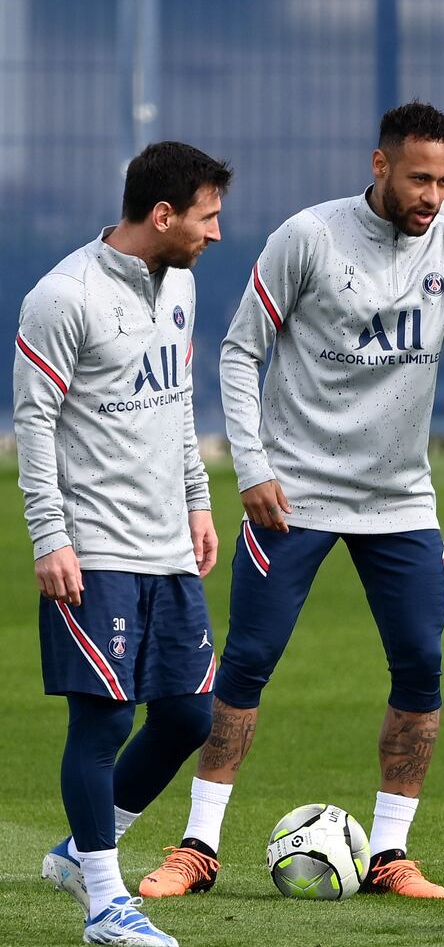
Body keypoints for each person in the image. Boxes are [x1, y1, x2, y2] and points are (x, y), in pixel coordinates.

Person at [140, 101, 444, 902]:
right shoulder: (309, 237)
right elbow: (240, 353)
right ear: (380, 166)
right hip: (292, 494)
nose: (433, 196)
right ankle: (197, 847)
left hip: (400, 502)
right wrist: (254, 465)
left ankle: (390, 855)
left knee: (421, 667)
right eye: (419, 178)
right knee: (247, 663)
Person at [13, 141, 232, 947]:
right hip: (93, 547)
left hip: (166, 544)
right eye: (206, 217)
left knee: (186, 715)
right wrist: (50, 536)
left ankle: (79, 853)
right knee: (102, 723)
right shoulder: (62, 296)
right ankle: (105, 905)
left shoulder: (183, 285)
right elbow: (33, 422)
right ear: (164, 214)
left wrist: (199, 504)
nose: (216, 233)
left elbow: (175, 401)